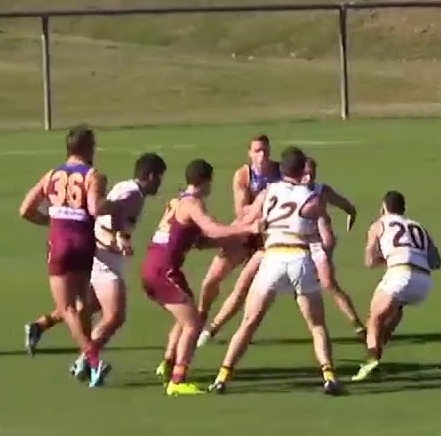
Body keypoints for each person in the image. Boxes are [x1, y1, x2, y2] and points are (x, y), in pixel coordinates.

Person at [209, 147, 345, 396]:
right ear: (303, 169)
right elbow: (325, 235)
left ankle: (222, 377)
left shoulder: (268, 191)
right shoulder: (312, 198)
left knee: (249, 322)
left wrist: (256, 226)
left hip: (272, 257)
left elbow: (250, 218)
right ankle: (329, 376)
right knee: (316, 324)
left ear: (281, 169)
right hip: (299, 257)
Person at [23, 153, 167, 370]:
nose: (161, 184)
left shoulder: (130, 191)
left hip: (103, 254)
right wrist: (116, 242)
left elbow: (115, 220)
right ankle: (85, 360)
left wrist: (120, 237)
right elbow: (101, 221)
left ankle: (40, 325)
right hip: (105, 258)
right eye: (160, 178)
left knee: (88, 306)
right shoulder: (131, 194)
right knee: (114, 316)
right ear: (151, 176)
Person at [143, 160, 257, 396]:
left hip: (156, 267)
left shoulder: (177, 201)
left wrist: (230, 240)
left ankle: (167, 364)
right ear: (207, 182)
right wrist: (247, 229)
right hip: (164, 271)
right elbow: (212, 229)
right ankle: (177, 380)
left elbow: (202, 241)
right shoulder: (192, 204)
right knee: (193, 324)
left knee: (185, 316)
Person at [17, 125, 119, 388]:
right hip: (84, 242)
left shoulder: (51, 174)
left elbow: (25, 209)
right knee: (82, 304)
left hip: (60, 241)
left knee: (67, 308)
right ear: (86, 148)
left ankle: (93, 360)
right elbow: (96, 209)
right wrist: (115, 206)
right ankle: (89, 366)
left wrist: (49, 220)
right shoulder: (93, 175)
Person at [196, 134, 282, 348]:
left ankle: (211, 329)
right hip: (244, 230)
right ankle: (200, 319)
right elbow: (240, 210)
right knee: (211, 279)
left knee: (242, 287)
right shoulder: (243, 175)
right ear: (250, 153)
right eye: (257, 151)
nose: (262, 155)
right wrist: (260, 208)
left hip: (267, 238)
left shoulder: (280, 172)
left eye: (265, 150)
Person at [350, 191, 441, 382]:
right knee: (395, 309)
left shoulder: (379, 225)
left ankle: (371, 359)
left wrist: (386, 259)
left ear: (383, 207)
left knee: (374, 318)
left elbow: (369, 261)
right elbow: (436, 262)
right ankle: (379, 347)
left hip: (400, 273)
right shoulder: (419, 227)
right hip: (423, 281)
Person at [301, 156, 367, 336]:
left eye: (312, 174)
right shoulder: (288, 191)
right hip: (295, 243)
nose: (309, 177)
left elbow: (346, 206)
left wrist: (350, 215)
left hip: (317, 244)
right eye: (305, 173)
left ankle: (357, 324)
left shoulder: (321, 191)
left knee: (329, 283)